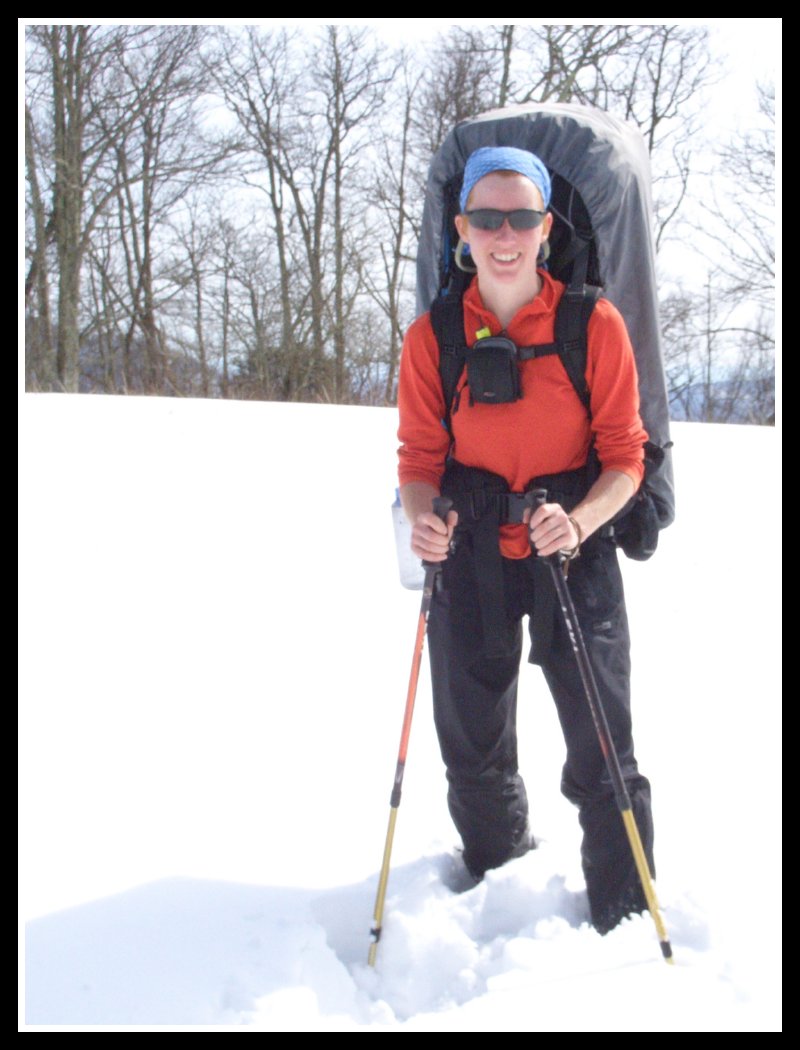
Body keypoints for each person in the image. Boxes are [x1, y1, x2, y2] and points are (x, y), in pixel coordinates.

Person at [396, 146, 655, 935]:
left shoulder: (591, 324)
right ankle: (494, 882)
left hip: (570, 552)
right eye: (486, 218)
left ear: (547, 227)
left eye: (520, 218)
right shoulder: (434, 336)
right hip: (470, 551)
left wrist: (579, 521)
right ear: (462, 228)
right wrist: (424, 519)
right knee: (471, 740)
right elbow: (419, 461)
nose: (503, 235)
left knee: (601, 741)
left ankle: (625, 912)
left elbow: (627, 458)